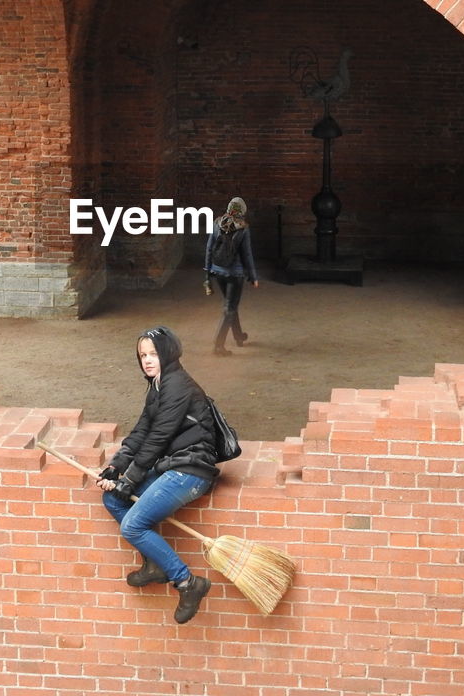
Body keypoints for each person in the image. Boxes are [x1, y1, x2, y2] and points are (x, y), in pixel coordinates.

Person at [97, 325, 219, 624]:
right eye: (142, 355)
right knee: (113, 501)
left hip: (190, 471)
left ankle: (188, 582)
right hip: (172, 466)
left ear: (168, 354)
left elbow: (159, 437)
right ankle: (155, 564)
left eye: (153, 354)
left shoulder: (177, 385)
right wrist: (116, 467)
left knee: (133, 526)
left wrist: (131, 479)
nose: (147, 360)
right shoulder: (158, 385)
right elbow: (142, 431)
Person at [203, 196, 259, 356]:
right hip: (235, 274)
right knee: (230, 308)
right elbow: (247, 255)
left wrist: (207, 274)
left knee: (231, 305)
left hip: (217, 271)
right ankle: (218, 346)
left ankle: (238, 336)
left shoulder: (217, 223)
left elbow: (208, 248)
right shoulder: (243, 228)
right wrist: (253, 276)